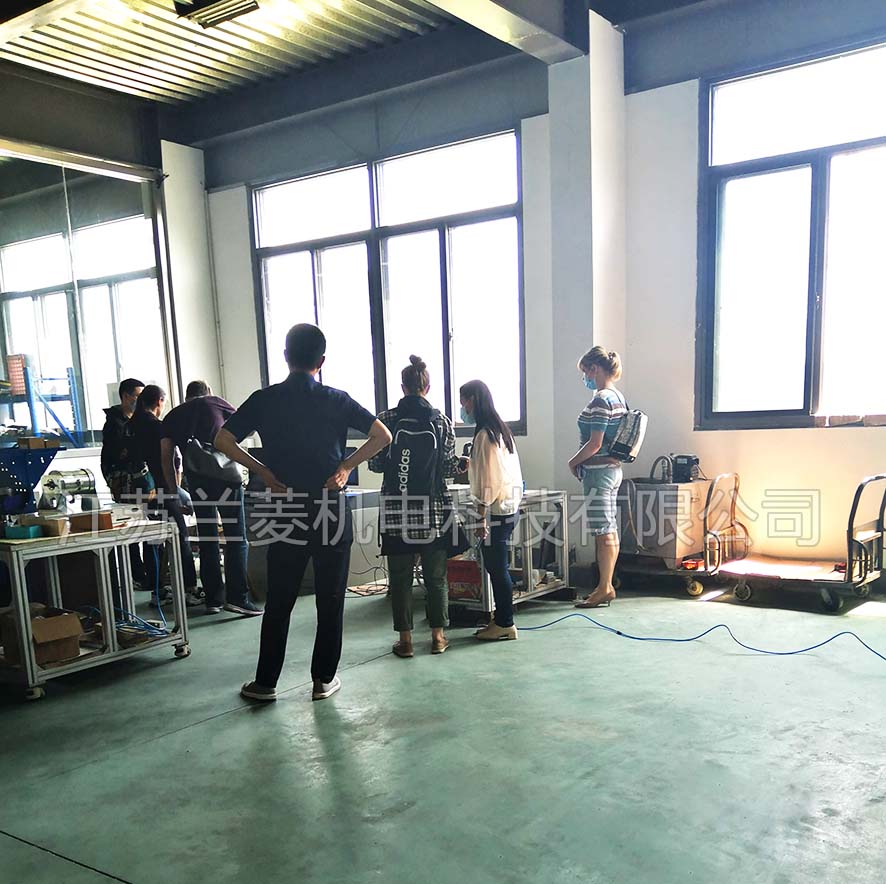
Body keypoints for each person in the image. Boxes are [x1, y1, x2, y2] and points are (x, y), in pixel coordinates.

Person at [215, 323, 392, 703]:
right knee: (331, 598)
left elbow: (222, 439)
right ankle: (323, 680)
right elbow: (383, 435)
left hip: (287, 508)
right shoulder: (337, 400)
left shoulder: (265, 399)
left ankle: (266, 683)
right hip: (330, 507)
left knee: (280, 599)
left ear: (285, 357)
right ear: (321, 361)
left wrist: (262, 471)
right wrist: (346, 466)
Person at [369, 356, 463, 658]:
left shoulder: (386, 419)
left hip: (396, 509)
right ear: (428, 387)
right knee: (436, 577)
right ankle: (438, 637)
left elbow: (375, 464)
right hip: (433, 509)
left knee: (400, 579)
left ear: (403, 387)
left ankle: (406, 641)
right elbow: (447, 468)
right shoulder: (441, 421)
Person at [161, 381, 260, 617]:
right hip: (226, 480)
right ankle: (237, 598)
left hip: (198, 482)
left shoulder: (173, 416)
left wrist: (173, 490)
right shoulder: (217, 403)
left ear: (187, 396)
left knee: (207, 538)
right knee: (236, 538)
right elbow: (246, 429)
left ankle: (213, 599)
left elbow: (166, 456)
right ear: (208, 393)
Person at [459, 380, 523, 641]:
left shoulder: (485, 435)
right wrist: (472, 462)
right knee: (498, 567)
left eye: (463, 402)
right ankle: (500, 620)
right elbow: (496, 469)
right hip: (508, 507)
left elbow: (488, 482)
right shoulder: (500, 430)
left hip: (495, 511)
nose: (463, 408)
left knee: (497, 568)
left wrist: (480, 518)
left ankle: (505, 623)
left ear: (473, 400)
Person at [568, 347, 627, 609]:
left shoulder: (602, 399)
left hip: (598, 472)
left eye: (585, 372)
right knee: (608, 529)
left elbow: (595, 443)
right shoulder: (618, 397)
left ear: (595, 369)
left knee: (602, 532)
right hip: (612, 470)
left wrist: (573, 462)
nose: (585, 378)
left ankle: (605, 587)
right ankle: (605, 585)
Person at [130, 385, 200, 606]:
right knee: (181, 537)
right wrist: (174, 490)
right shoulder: (158, 427)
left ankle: (158, 591)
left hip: (141, 491)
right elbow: (172, 460)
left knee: (153, 541)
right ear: (160, 401)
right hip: (162, 489)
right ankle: (190, 589)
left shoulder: (130, 425)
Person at [100, 377, 147, 587]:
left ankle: (146, 573)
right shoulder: (114, 424)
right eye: (138, 396)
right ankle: (136, 574)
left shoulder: (137, 421)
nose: (140, 401)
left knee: (146, 526)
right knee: (129, 526)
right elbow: (117, 455)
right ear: (126, 396)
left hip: (139, 481)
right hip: (123, 482)